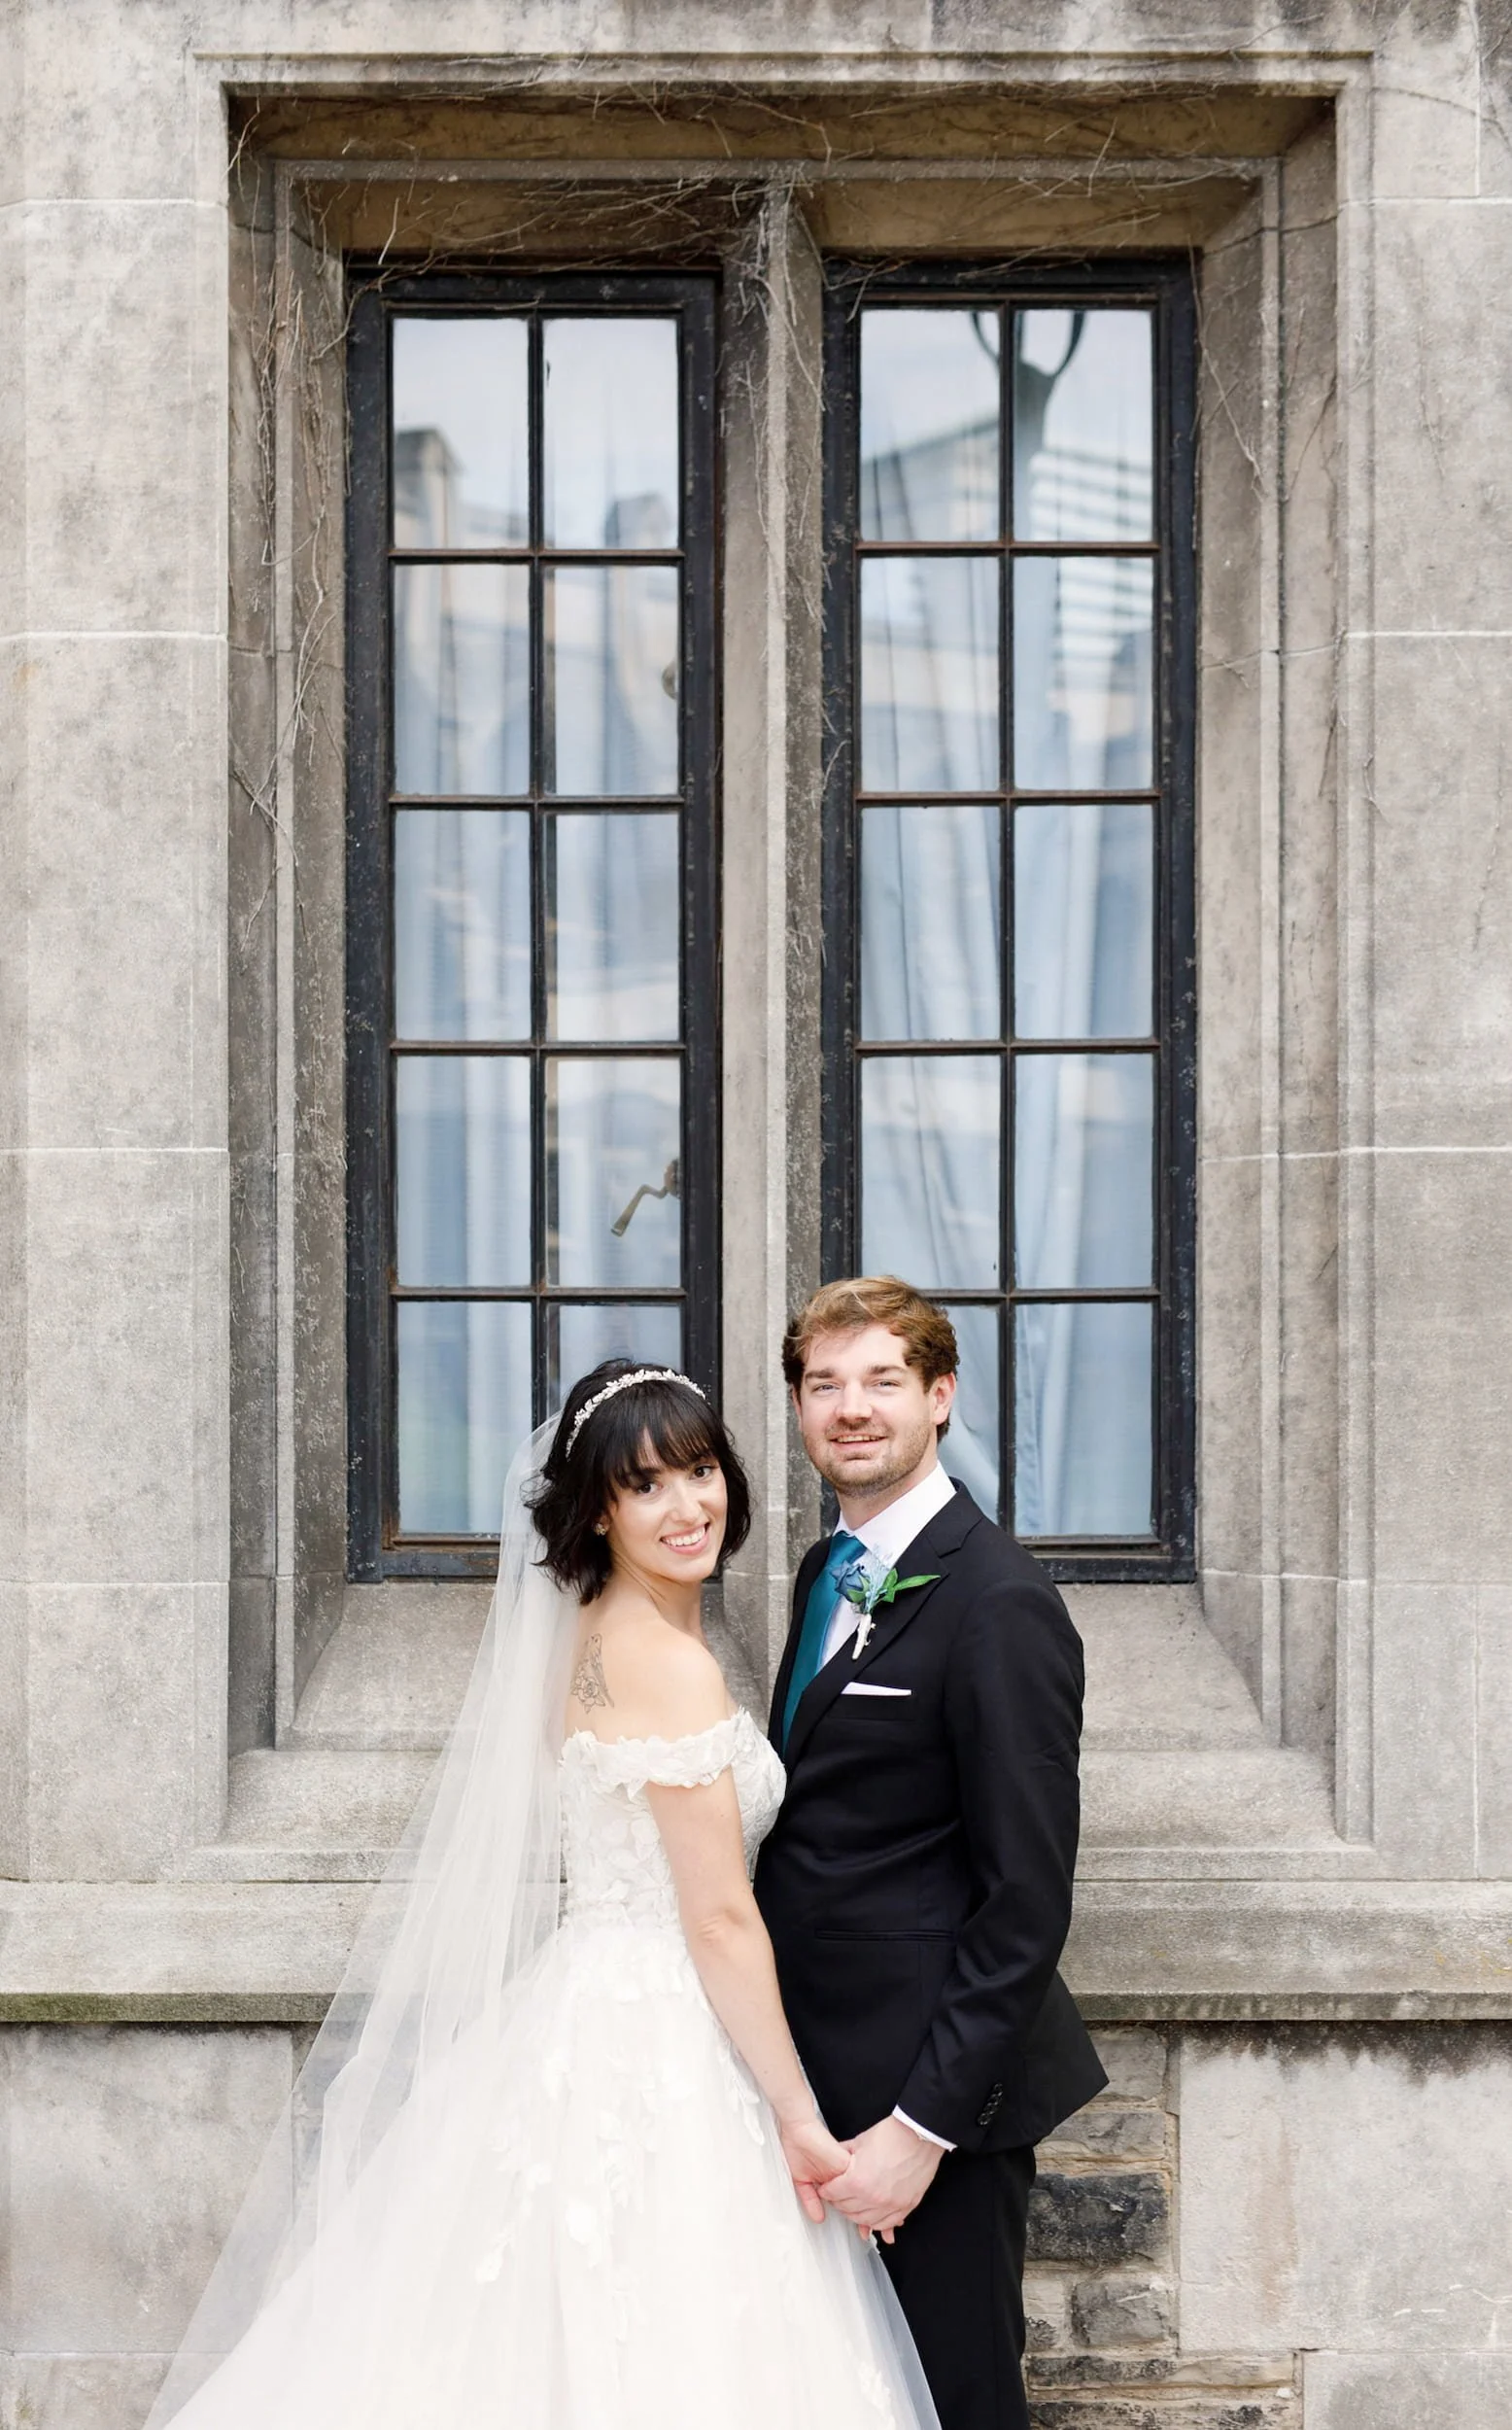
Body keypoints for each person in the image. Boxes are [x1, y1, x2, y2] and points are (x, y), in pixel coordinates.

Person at [146, 1360, 939, 2430]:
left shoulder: (581, 1636)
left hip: (581, 1996)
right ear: (597, 1513)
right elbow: (712, 1915)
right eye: (645, 1485)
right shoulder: (665, 1661)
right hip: (666, 2025)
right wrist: (802, 2120)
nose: (687, 1505)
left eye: (699, 1470)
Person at [755, 1277, 1107, 2430]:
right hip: (810, 2088)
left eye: (881, 1381)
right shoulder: (823, 1575)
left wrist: (916, 2136)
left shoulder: (1001, 1602)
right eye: (824, 1384)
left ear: (940, 1396)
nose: (850, 1408)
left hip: (926, 2112)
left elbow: (1023, 1904)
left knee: (955, 2405)